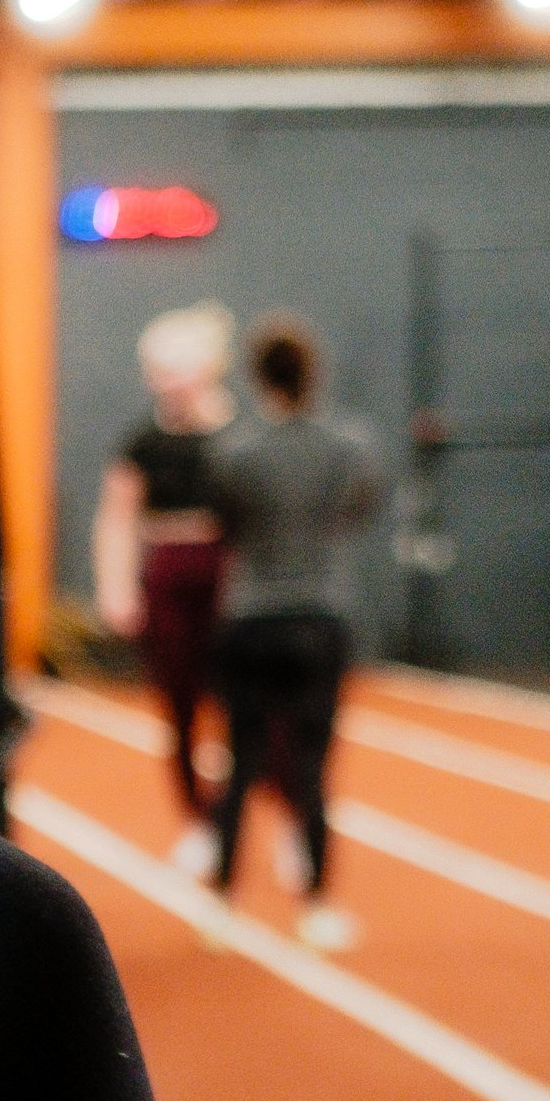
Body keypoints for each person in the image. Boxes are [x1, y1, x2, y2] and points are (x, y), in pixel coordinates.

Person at [208, 315, 385, 950]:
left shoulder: (236, 452)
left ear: (258, 378)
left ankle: (223, 905)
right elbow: (358, 508)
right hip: (320, 615)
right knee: (311, 767)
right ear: (314, 375)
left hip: (251, 616)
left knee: (241, 761)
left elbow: (226, 519)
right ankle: (316, 904)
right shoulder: (349, 448)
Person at [93, 303, 236, 875]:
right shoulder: (143, 443)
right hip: (168, 574)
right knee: (177, 705)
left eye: (176, 367)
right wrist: (115, 586)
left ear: (209, 368)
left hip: (228, 574)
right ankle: (198, 821)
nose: (165, 380)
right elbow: (116, 516)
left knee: (243, 703)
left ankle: (265, 815)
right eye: (156, 368)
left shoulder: (239, 439)